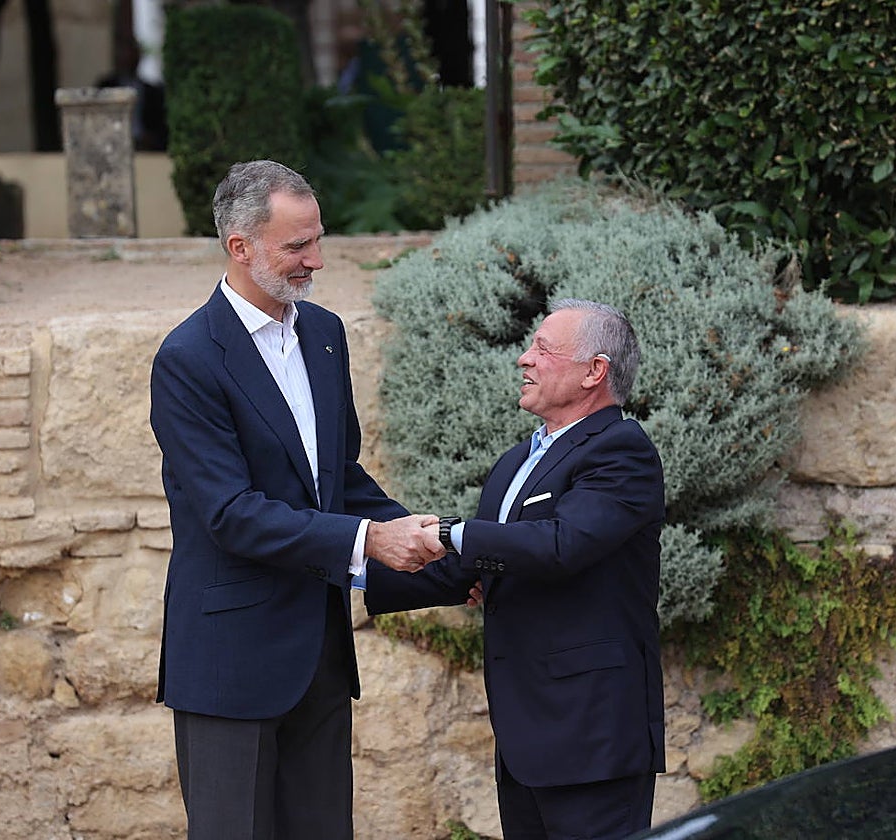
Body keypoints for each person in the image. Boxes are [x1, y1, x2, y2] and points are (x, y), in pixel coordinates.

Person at [149, 159, 444, 840]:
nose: (316, 260)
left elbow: (338, 479)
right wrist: (369, 541)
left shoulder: (325, 334)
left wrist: (440, 552)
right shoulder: (188, 358)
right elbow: (230, 514)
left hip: (319, 655)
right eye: (297, 246)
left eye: (318, 240)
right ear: (240, 247)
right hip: (229, 663)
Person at [366, 299, 667, 840]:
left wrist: (446, 531)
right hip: (526, 735)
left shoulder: (622, 451)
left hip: (591, 734)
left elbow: (560, 545)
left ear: (594, 371)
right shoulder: (515, 462)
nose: (524, 360)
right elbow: (473, 569)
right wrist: (354, 554)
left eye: (543, 349)